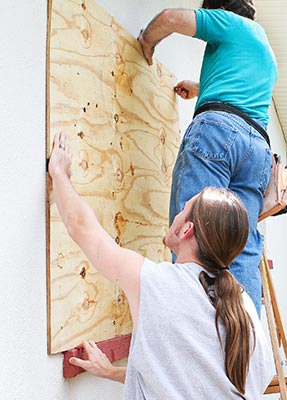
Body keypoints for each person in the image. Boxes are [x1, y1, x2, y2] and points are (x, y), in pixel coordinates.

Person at [49, 131, 274, 398]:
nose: (176, 215)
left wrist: (59, 173)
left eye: (183, 209)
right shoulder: (243, 305)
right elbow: (196, 380)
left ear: (186, 229)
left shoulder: (156, 283)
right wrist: (111, 372)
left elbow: (81, 226)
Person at [138, 0, 278, 314]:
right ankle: (242, 350)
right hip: (257, 149)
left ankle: (195, 338)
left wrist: (146, 43)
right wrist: (201, 88)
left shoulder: (228, 23)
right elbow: (239, 89)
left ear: (221, 8)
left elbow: (170, 18)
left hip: (218, 134)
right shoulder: (264, 49)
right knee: (239, 246)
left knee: (194, 234)